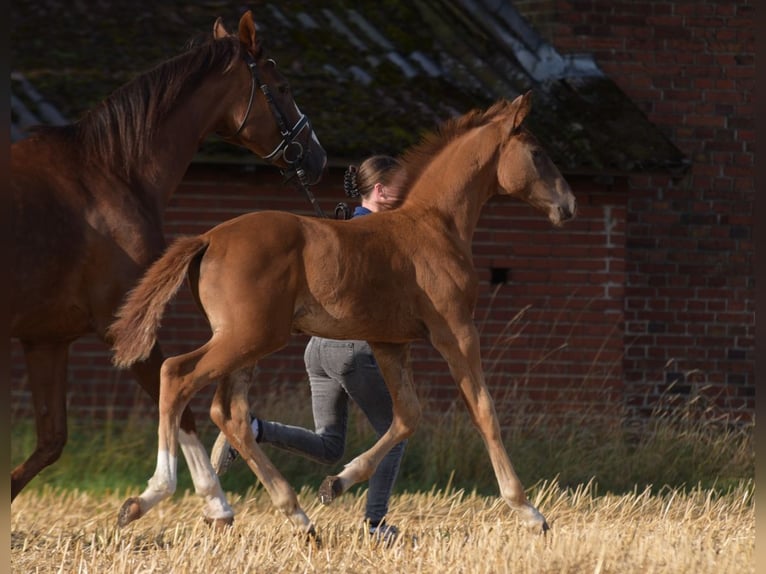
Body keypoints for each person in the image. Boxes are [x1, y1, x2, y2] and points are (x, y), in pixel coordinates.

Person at [211, 155, 408, 543]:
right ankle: (376, 525)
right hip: (354, 350)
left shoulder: (344, 226)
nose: (409, 194)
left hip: (319, 350)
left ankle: (251, 428)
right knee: (395, 431)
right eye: (402, 186)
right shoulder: (381, 236)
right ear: (381, 191)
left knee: (329, 446)